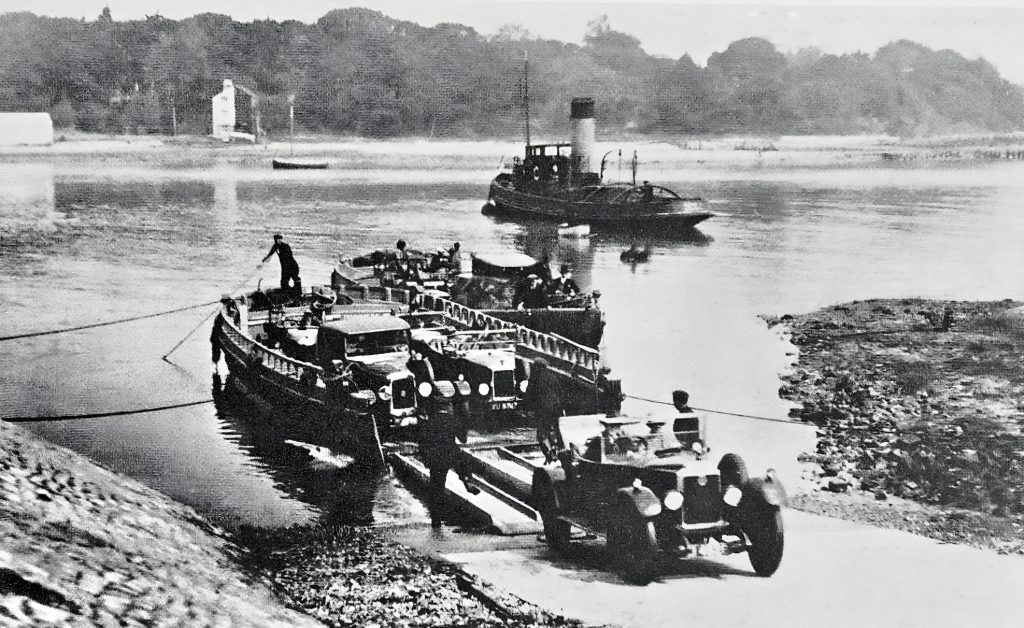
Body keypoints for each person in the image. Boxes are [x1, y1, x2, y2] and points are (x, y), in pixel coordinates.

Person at [413, 356, 479, 528]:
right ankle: (466, 479)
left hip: (436, 454)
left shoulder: (431, 419)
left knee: (437, 486)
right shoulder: (449, 417)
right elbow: (461, 425)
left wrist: (424, 454)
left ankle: (436, 519)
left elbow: (423, 436)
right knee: (460, 461)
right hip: (448, 448)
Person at [520, 358, 565, 462]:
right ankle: (556, 450)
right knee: (554, 430)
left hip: (543, 410)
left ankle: (549, 455)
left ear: (536, 367)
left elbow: (529, 395)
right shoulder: (553, 377)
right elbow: (561, 394)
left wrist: (524, 409)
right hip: (556, 409)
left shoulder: (534, 379)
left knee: (542, 433)